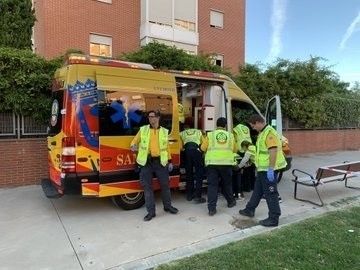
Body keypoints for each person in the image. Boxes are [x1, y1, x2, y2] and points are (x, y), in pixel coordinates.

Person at [239, 114, 287, 227]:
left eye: (253, 126)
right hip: (262, 169)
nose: (253, 128)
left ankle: (273, 218)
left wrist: (271, 169)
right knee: (258, 191)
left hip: (268, 170)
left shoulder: (269, 133)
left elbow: (273, 151)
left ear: (258, 122)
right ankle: (249, 209)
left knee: (271, 193)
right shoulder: (263, 133)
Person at [130, 110, 178, 221]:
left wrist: (170, 161)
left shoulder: (164, 131)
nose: (150, 119)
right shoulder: (143, 130)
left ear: (158, 118)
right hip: (146, 163)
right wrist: (133, 147)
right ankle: (151, 212)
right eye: (149, 117)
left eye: (152, 116)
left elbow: (166, 148)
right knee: (147, 188)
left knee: (165, 186)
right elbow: (133, 142)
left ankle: (168, 207)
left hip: (161, 162)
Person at [201, 117, 237, 216]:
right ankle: (231, 202)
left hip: (212, 164)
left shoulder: (210, 135)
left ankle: (212, 209)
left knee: (212, 186)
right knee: (227, 184)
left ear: (216, 125)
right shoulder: (230, 136)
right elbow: (235, 150)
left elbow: (203, 148)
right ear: (225, 125)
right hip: (226, 164)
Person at [180, 121, 206, 203]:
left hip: (187, 152)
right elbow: (204, 142)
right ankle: (198, 196)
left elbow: (180, 147)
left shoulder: (182, 133)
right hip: (196, 151)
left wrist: (184, 150)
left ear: (185, 127)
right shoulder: (198, 132)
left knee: (189, 174)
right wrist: (200, 150)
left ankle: (189, 195)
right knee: (199, 173)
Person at [232, 123, 253, 199]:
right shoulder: (246, 128)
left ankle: (239, 193)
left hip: (240, 149)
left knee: (238, 173)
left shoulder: (235, 129)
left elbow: (234, 139)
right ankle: (248, 187)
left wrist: (239, 166)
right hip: (248, 146)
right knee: (248, 170)